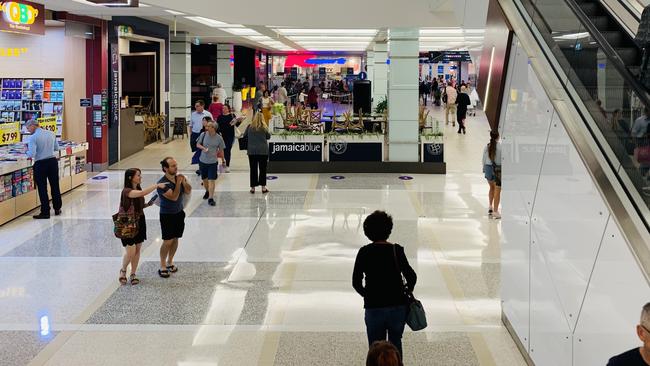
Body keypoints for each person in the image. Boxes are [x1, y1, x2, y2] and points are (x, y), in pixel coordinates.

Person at [353, 210, 417, 361]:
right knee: (395, 344)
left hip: (374, 307)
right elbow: (411, 276)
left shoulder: (364, 252)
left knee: (376, 348)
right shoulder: (397, 250)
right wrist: (406, 290)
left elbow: (356, 282)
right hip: (397, 307)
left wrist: (367, 294)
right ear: (389, 230)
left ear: (367, 232)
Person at [118, 168, 168, 285]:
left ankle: (133, 273)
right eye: (138, 175)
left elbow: (138, 204)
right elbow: (140, 194)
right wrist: (156, 186)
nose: (140, 177)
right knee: (130, 251)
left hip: (140, 221)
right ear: (131, 177)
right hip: (128, 223)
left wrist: (147, 204)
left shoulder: (138, 188)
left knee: (138, 249)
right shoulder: (126, 191)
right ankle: (123, 269)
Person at [157, 157, 191, 278]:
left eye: (176, 165)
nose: (176, 168)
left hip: (179, 213)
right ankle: (162, 265)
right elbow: (174, 197)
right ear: (165, 168)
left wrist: (183, 182)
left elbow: (188, 190)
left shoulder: (180, 178)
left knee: (176, 238)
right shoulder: (161, 184)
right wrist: (178, 183)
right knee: (167, 241)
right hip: (167, 215)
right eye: (172, 166)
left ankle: (170, 261)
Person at [25, 119, 61, 219]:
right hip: (52, 162)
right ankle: (57, 208)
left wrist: (25, 151)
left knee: (42, 188)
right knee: (55, 185)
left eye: (28, 128)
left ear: (33, 126)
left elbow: (31, 154)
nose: (28, 130)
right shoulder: (51, 133)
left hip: (40, 164)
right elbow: (56, 148)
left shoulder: (33, 137)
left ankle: (45, 212)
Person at [195, 121, 225, 206]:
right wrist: (203, 148)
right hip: (203, 161)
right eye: (207, 126)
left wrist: (223, 161)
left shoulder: (219, 138)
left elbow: (221, 150)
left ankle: (211, 198)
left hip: (213, 162)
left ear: (213, 128)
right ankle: (207, 191)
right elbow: (197, 144)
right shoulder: (203, 135)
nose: (207, 127)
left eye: (209, 126)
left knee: (212, 180)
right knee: (204, 179)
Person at [245, 112, 271, 194]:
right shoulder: (264, 127)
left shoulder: (249, 127)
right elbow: (268, 136)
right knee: (263, 169)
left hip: (252, 151)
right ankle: (263, 188)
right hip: (263, 151)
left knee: (253, 169)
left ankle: (253, 188)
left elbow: (245, 135)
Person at [216, 104, 242, 173]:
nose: (223, 109)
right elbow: (217, 127)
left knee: (227, 149)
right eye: (222, 108)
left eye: (225, 108)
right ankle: (223, 162)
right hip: (221, 136)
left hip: (230, 136)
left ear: (228, 109)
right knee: (222, 150)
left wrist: (239, 120)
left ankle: (227, 165)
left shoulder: (232, 116)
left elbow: (237, 125)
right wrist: (218, 133)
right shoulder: (220, 117)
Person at [483, 131, 503, 219]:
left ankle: (490, 206)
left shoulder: (487, 146)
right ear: (498, 136)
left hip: (487, 168)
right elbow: (503, 159)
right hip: (497, 169)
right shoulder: (500, 147)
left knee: (491, 187)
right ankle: (495, 211)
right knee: (497, 191)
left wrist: (484, 168)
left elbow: (483, 159)